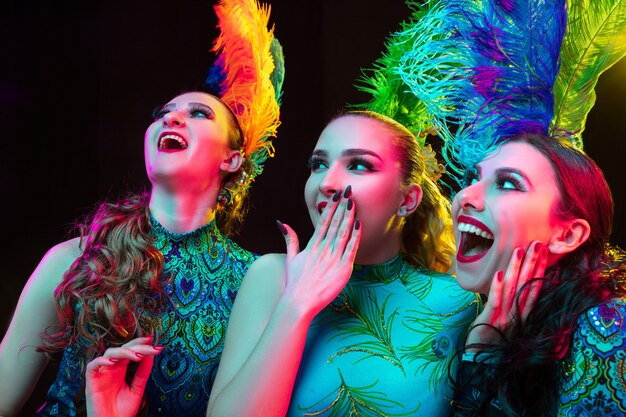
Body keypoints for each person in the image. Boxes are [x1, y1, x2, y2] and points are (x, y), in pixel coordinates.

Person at [0, 90, 267, 417]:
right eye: (162, 113)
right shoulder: (74, 260)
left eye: (199, 113)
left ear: (231, 159)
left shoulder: (255, 280)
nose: (170, 118)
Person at [196, 110, 478, 417]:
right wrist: (297, 303)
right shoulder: (273, 276)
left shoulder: (459, 303)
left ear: (407, 200)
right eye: (318, 164)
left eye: (359, 165)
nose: (327, 183)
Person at [449, 133, 626, 416]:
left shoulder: (609, 328)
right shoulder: (472, 319)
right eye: (473, 178)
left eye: (507, 184)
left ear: (567, 235)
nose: (465, 196)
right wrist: (481, 352)